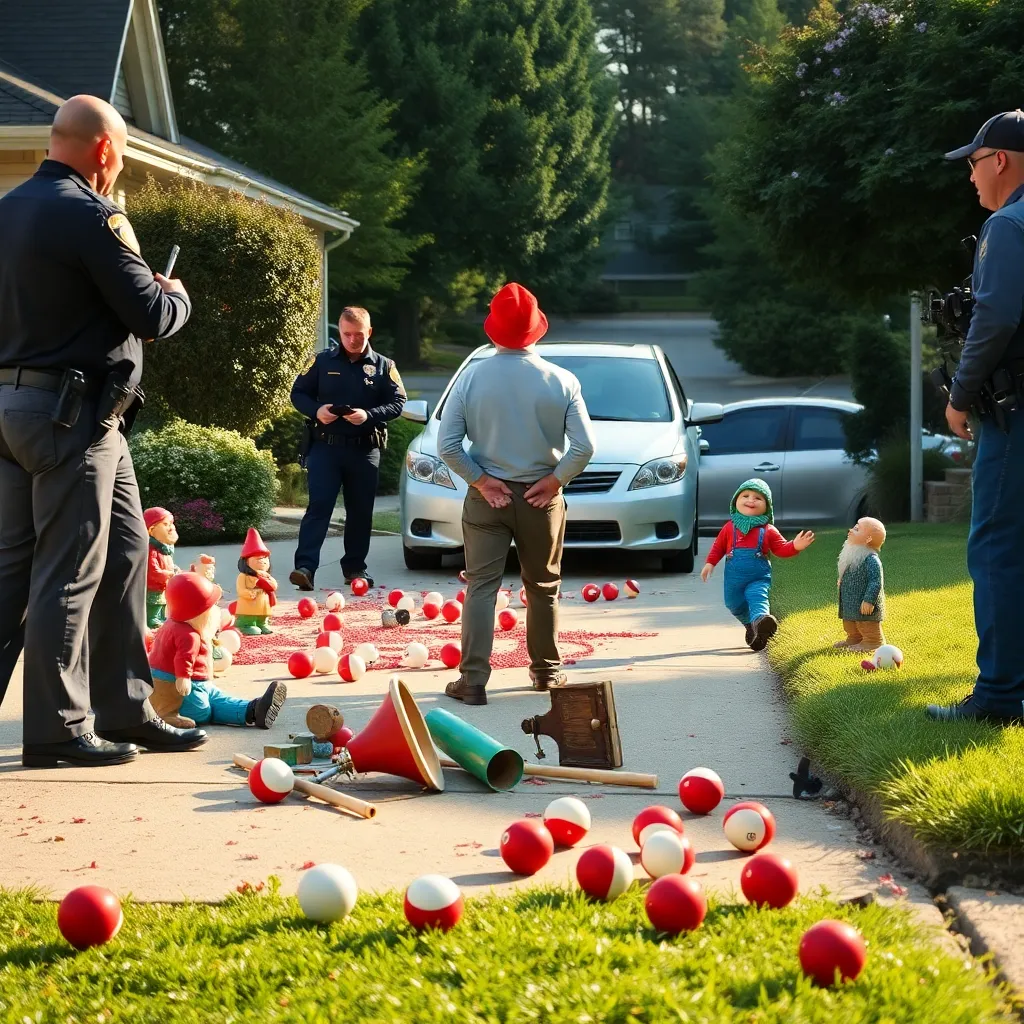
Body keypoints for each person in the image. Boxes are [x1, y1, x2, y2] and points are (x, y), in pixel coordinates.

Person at [0, 95, 208, 766]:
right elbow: (147, 312)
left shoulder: (7, 211)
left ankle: (123, 708)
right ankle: (58, 731)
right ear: (105, 153)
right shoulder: (94, 215)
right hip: (73, 419)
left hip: (20, 412)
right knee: (71, 569)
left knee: (122, 552)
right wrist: (173, 292)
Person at [437, 282, 596, 706]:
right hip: (540, 500)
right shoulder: (562, 380)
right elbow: (584, 448)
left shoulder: (470, 376)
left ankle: (472, 681)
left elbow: (448, 446)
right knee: (543, 586)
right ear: (537, 331)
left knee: (481, 587)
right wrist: (556, 480)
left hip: (487, 497)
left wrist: (481, 481)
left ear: (492, 331)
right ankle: (546, 672)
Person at [928, 110, 1024, 724]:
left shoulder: (1007, 225)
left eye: (972, 162)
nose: (969, 176)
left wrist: (959, 395)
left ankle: (997, 698)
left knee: (996, 547)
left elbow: (995, 317)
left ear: (1000, 161)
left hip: (1014, 416)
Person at [289, 307, 406, 591]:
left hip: (364, 450)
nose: (352, 340)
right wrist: (317, 410)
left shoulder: (383, 365)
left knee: (360, 511)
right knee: (319, 507)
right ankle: (305, 568)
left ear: (369, 332)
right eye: (346, 334)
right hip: (325, 447)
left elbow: (398, 402)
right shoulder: (321, 360)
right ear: (339, 332)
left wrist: (369, 415)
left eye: (358, 334)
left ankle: (355, 568)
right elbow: (298, 393)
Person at [700, 479, 815, 651]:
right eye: (745, 496)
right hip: (734, 579)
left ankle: (762, 621)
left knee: (758, 597)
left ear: (767, 506)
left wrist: (794, 546)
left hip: (758, 576)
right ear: (735, 502)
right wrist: (710, 563)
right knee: (733, 603)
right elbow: (718, 547)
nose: (751, 500)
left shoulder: (768, 530)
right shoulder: (729, 527)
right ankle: (751, 626)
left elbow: (781, 549)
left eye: (758, 498)